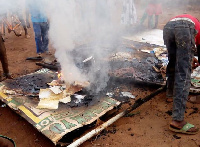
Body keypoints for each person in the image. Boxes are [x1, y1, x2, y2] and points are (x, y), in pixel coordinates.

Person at [163, 14, 200, 134]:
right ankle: (177, 121)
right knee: (183, 74)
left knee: (173, 63)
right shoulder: (195, 25)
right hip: (184, 29)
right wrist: (191, 60)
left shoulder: (187, 18)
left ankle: (170, 95)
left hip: (168, 27)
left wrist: (191, 57)